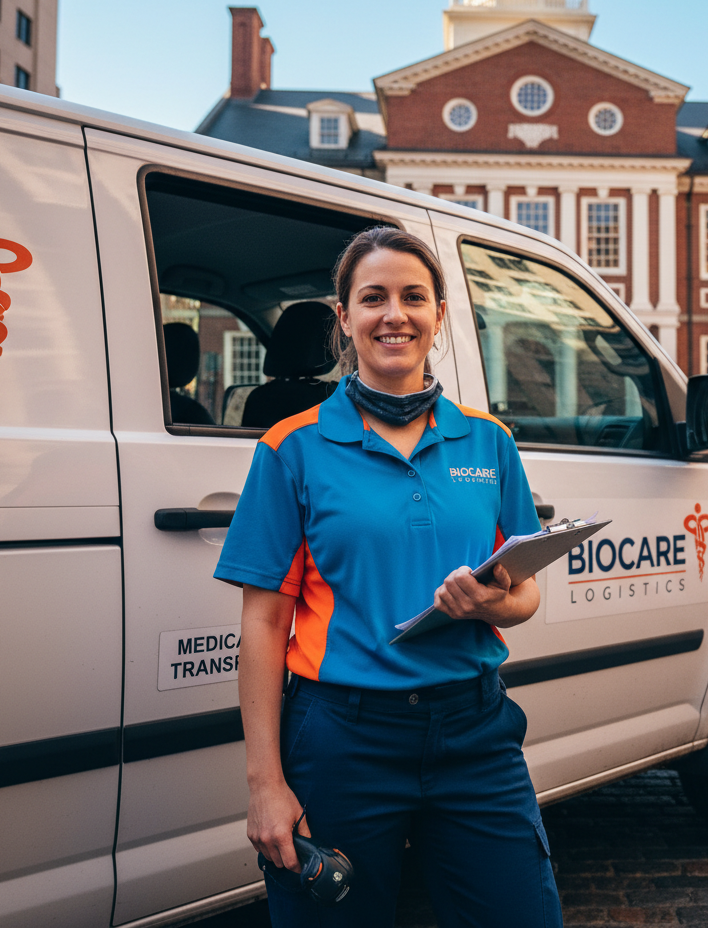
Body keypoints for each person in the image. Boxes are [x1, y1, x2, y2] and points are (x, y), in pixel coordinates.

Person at [214, 227, 562, 928]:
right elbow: (263, 623)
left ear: (438, 314)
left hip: (475, 729)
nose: (393, 314)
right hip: (343, 738)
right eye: (372, 298)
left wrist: (491, 601)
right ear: (344, 317)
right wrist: (265, 785)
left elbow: (525, 592)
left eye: (413, 297)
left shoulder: (488, 441)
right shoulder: (292, 447)